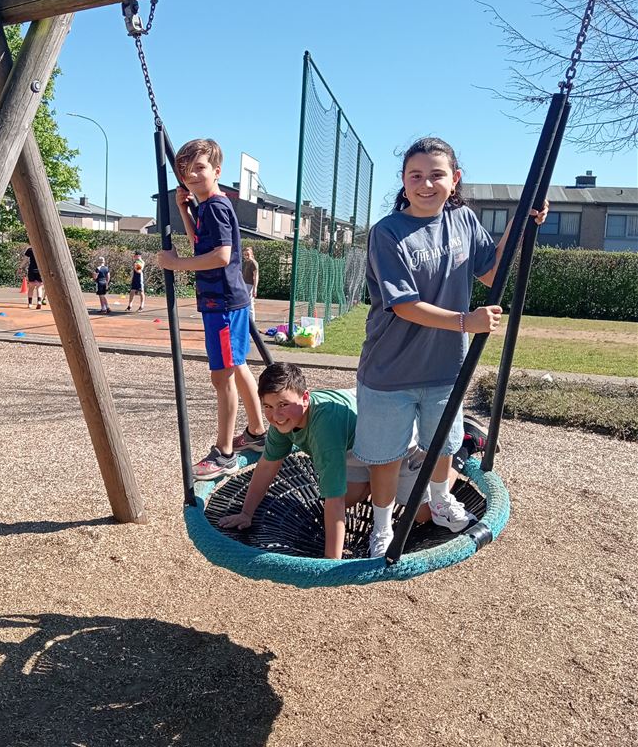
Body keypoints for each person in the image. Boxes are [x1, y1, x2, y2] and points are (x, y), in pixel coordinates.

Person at [353, 136, 548, 557]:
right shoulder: (388, 233)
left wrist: (520, 224)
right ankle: (382, 526)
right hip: (390, 369)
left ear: (454, 179)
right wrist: (466, 322)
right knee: (385, 456)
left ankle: (440, 502)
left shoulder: (463, 221)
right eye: (416, 176)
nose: (426, 184)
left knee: (442, 443)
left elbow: (490, 273)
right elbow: (404, 305)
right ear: (403, 181)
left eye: (436, 175)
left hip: (445, 366)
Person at [218, 362, 437, 560]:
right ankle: (376, 483)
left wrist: (330, 561)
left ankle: (451, 462)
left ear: (305, 398)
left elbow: (334, 499)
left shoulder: (324, 430)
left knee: (423, 515)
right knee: (348, 499)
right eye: (268, 406)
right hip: (353, 446)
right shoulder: (282, 423)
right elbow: (267, 465)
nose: (276, 415)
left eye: (283, 404)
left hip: (393, 442)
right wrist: (246, 513)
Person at [156, 138, 267, 478]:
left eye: (199, 167)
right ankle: (258, 433)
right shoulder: (207, 206)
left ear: (217, 171)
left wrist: (176, 264)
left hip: (222, 304)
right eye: (184, 169)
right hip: (225, 301)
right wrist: (185, 211)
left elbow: (220, 256)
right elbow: (201, 243)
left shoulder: (216, 207)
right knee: (238, 366)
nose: (191, 174)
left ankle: (224, 453)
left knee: (222, 377)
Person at [241, 246, 259, 322]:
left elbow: (256, 276)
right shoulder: (245, 263)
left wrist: (255, 288)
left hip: (250, 285)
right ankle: (246, 320)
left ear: (251, 254)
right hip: (244, 284)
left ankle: (252, 322)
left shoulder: (253, 263)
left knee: (250, 304)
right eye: (245, 254)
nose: (246, 256)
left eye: (248, 254)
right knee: (243, 303)